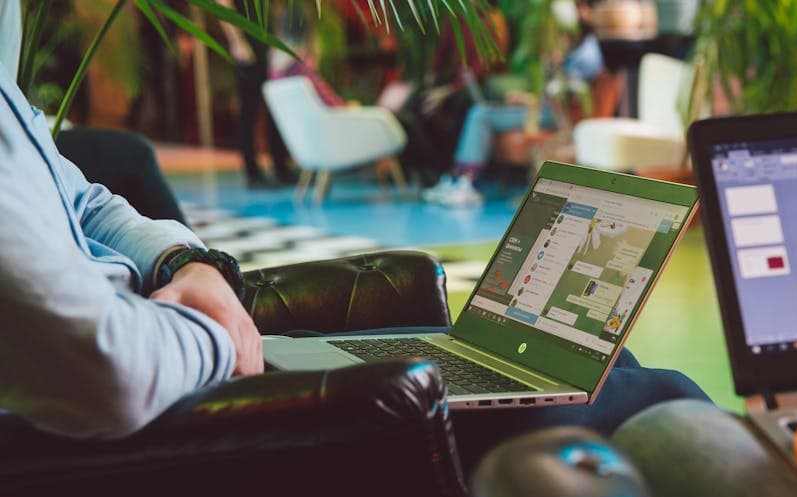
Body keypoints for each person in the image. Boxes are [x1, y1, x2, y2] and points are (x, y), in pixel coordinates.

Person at [0, 2, 706, 443]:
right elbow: (102, 369)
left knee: (605, 371)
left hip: (164, 346)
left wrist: (185, 264)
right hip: (157, 426)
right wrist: (218, 329)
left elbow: (79, 193)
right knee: (655, 401)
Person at [423, 0, 607, 207]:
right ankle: (461, 179)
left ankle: (466, 181)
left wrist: (533, 98)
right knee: (479, 111)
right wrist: (529, 96)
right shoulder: (575, 47)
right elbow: (555, 90)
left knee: (481, 113)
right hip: (544, 107)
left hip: (554, 114)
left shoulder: (589, 53)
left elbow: (568, 98)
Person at [216, 0, 296, 188]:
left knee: (274, 108)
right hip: (247, 44)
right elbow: (222, 5)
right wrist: (237, 41)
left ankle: (280, 166)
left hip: (266, 42)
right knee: (249, 110)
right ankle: (252, 172)